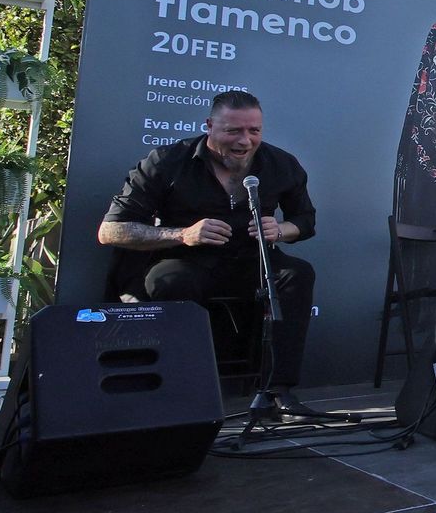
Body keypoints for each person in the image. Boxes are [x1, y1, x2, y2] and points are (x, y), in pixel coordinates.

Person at [98, 90, 317, 411]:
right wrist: (183, 234)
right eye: (233, 131)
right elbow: (110, 231)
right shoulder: (167, 161)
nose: (245, 141)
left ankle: (277, 390)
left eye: (254, 131)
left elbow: (306, 220)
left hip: (251, 263)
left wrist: (281, 230)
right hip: (185, 260)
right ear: (210, 126)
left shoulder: (281, 164)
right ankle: (182, 388)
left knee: (297, 274)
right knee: (169, 281)